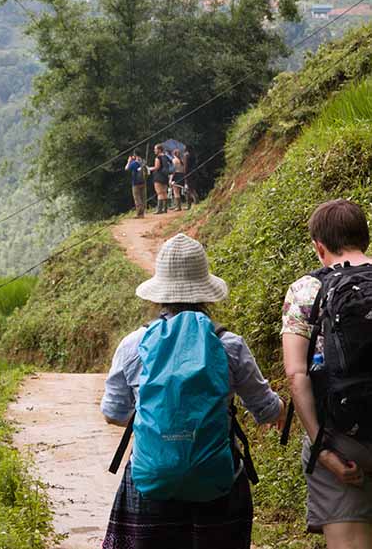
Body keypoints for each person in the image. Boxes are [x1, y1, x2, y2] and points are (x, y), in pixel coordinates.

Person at [101, 233, 285, 549]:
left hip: (150, 481)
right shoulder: (229, 345)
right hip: (219, 484)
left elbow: (113, 414)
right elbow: (266, 411)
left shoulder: (134, 345)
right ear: (206, 292)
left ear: (160, 293)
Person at [281, 199, 372, 548]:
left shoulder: (306, 290)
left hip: (343, 437)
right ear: (364, 237)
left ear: (319, 248)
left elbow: (295, 373)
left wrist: (321, 450)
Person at [148, 144, 171, 214]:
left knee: (159, 192)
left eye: (155, 149)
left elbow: (157, 167)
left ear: (159, 150)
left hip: (158, 176)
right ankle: (165, 208)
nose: (154, 150)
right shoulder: (166, 157)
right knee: (164, 192)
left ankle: (159, 209)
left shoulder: (158, 158)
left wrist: (149, 168)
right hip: (165, 176)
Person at [125, 153, 147, 218]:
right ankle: (142, 213)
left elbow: (126, 168)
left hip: (135, 183)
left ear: (135, 156)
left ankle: (139, 214)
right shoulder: (143, 162)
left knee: (137, 198)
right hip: (143, 182)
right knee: (143, 197)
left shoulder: (134, 163)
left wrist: (129, 161)